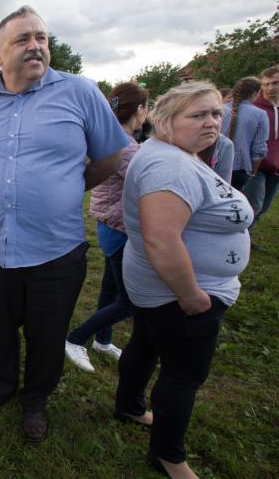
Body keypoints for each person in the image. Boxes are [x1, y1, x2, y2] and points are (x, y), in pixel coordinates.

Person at [0, 5, 129, 442]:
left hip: (55, 248)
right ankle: (1, 384)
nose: (35, 46)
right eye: (22, 39)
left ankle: (36, 400)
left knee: (47, 333)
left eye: (41, 38)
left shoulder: (81, 93)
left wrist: (67, 187)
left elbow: (110, 158)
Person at [116, 82, 251, 478]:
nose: (211, 122)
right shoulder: (169, 167)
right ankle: (169, 456)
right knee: (183, 374)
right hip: (177, 293)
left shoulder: (172, 154)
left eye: (215, 113)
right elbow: (161, 239)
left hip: (156, 285)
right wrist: (190, 294)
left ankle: (129, 406)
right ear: (165, 121)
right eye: (197, 115)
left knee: (145, 345)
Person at [65, 82, 148, 373]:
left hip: (112, 223)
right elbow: (148, 183)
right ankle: (76, 338)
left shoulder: (115, 139)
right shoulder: (126, 147)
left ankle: (102, 339)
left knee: (111, 289)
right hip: (119, 226)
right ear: (140, 110)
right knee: (128, 301)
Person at [245, 64, 279, 234]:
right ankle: (238, 239)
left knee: (264, 207)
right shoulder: (255, 108)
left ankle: (247, 238)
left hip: (276, 167)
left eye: (275, 83)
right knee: (253, 205)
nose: (270, 88)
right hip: (256, 165)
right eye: (266, 84)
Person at [221, 76, 268, 192]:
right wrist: (252, 173)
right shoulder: (260, 114)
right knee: (232, 200)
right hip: (240, 169)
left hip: (215, 164)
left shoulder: (219, 110)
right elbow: (259, 149)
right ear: (255, 93)